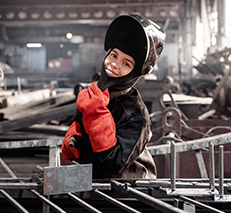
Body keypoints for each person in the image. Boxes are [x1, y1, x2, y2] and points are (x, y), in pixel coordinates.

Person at [62, 14, 166, 179]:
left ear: (135, 73)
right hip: (94, 183)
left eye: (126, 64)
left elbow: (115, 163)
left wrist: (96, 116)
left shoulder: (136, 113)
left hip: (131, 192)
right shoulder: (94, 94)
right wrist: (76, 139)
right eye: (114, 55)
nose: (114, 65)